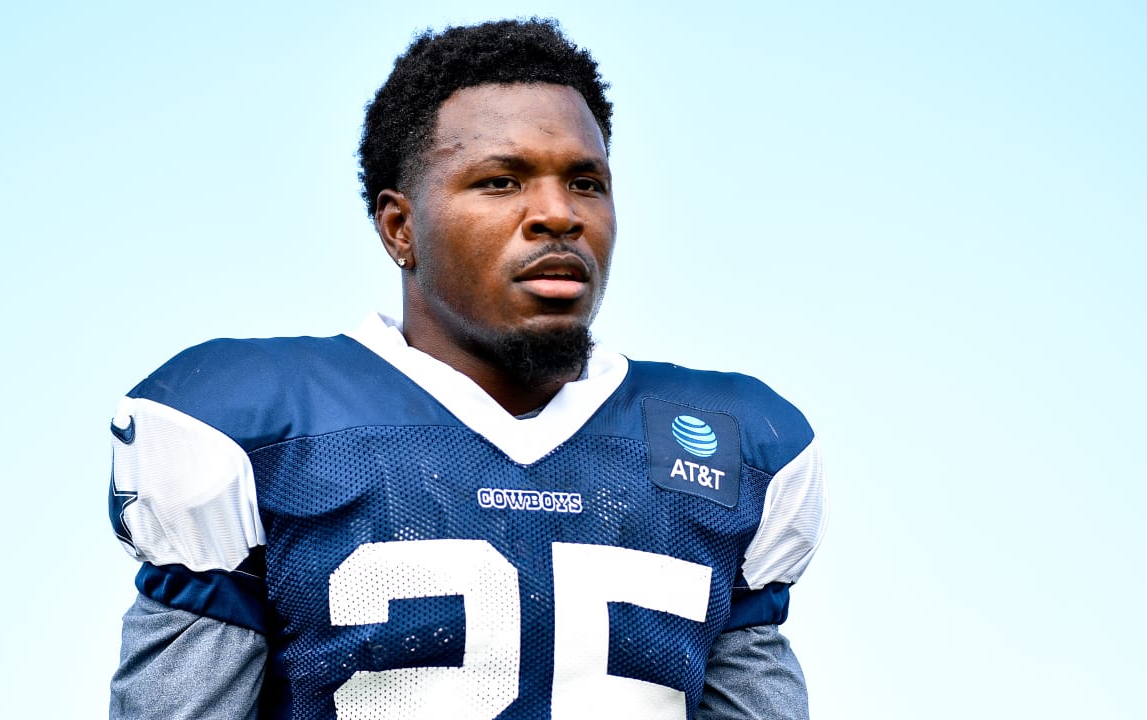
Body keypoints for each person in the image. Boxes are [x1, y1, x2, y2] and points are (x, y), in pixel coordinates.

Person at [107, 18, 826, 720]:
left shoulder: (729, 440)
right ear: (400, 226)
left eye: (585, 182)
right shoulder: (259, 424)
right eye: (500, 182)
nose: (556, 214)